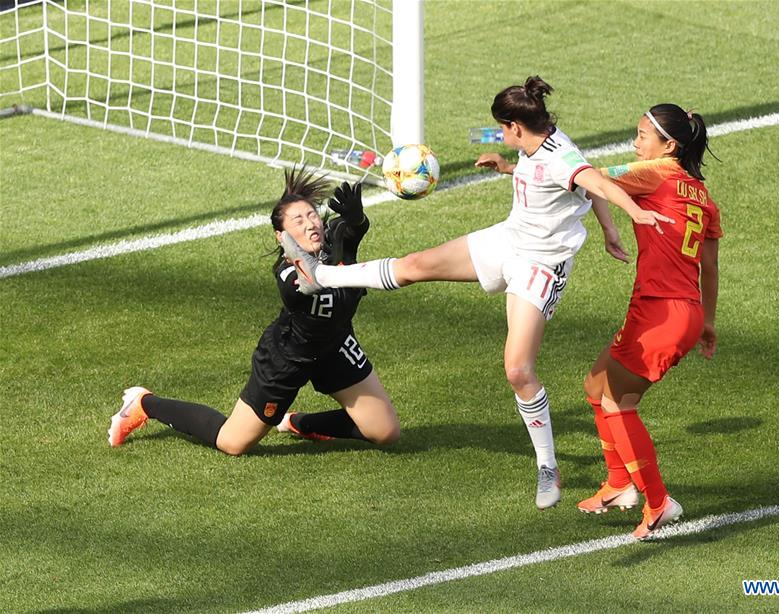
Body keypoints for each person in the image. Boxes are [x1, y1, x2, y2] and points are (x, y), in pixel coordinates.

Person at [282, 76, 673, 509]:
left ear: (516, 127)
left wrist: (631, 213)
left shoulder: (560, 157)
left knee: (518, 370)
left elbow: (595, 182)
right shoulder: (539, 144)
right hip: (509, 240)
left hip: (540, 268)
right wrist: (516, 173)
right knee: (415, 266)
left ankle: (548, 465)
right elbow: (581, 181)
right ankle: (321, 275)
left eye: (503, 129)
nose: (501, 135)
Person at [107, 168, 400, 455]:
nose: (310, 224)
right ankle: (144, 403)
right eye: (298, 221)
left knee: (385, 432)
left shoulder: (335, 240)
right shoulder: (287, 274)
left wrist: (356, 218)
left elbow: (353, 229)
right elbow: (308, 284)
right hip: (289, 359)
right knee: (232, 443)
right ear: (280, 236)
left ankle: (297, 423)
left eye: (312, 215)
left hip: (336, 347)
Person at [577, 103, 722, 539]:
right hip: (684, 311)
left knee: (618, 402)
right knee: (596, 384)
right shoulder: (704, 197)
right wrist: (708, 322)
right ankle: (618, 484)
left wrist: (520, 166)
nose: (635, 143)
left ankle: (658, 502)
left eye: (642, 135)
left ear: (669, 146)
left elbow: (588, 177)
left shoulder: (656, 172)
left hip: (660, 312)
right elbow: (710, 268)